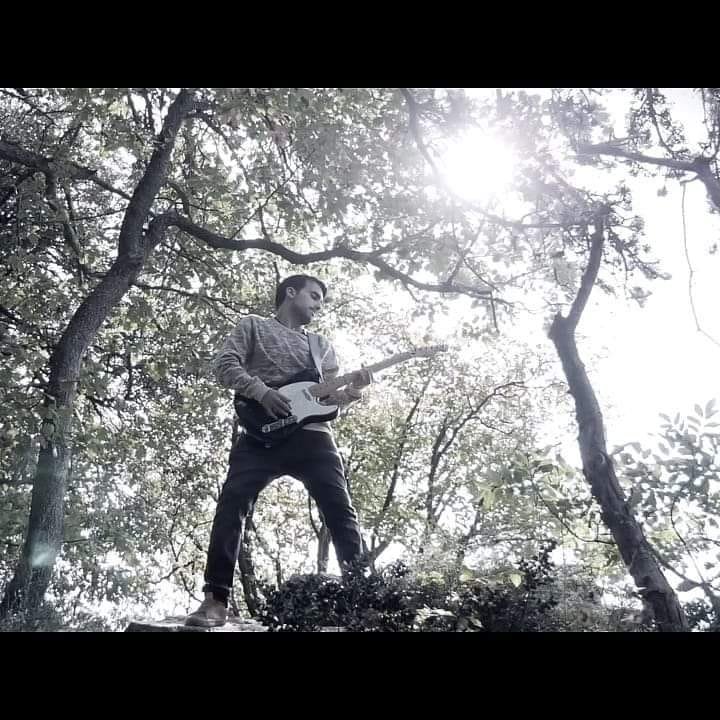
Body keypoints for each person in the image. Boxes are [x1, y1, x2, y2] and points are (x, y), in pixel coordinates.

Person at [185, 274, 372, 627]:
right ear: (291, 292)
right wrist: (262, 392)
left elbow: (327, 403)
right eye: (314, 296)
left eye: (321, 301)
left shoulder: (321, 345)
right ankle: (215, 601)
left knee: (341, 514)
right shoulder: (254, 326)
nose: (318, 305)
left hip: (314, 438)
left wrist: (352, 392)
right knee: (231, 506)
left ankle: (363, 601)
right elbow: (225, 366)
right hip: (259, 435)